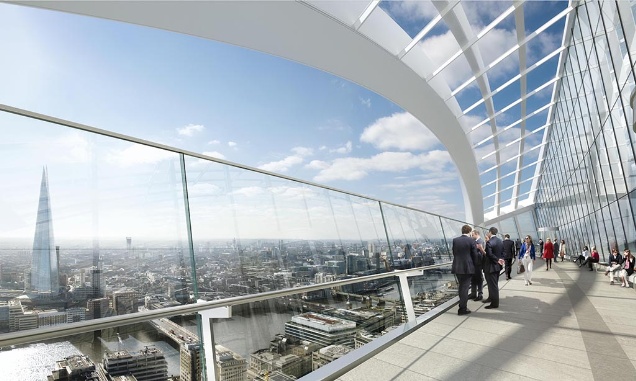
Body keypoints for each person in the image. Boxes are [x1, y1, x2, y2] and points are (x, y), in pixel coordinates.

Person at [451, 225, 479, 315]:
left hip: (457, 267)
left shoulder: (455, 240)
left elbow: (454, 252)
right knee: (465, 288)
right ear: (470, 232)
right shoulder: (471, 240)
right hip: (467, 268)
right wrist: (475, 266)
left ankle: (462, 306)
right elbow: (475, 255)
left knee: (461, 287)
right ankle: (462, 309)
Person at [482, 227, 504, 309]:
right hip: (498, 267)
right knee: (493, 284)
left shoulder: (489, 242)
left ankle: (494, 303)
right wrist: (500, 259)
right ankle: (490, 298)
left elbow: (489, 255)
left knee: (493, 285)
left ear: (490, 232)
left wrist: (497, 259)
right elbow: (503, 252)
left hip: (491, 266)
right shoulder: (500, 241)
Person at [468, 229, 485, 301]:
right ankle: (473, 293)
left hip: (478, 263)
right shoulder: (474, 242)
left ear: (476, 234)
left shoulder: (480, 241)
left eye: (473, 235)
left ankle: (480, 294)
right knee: (473, 279)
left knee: (479, 279)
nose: (472, 236)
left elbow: (481, 253)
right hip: (474, 263)